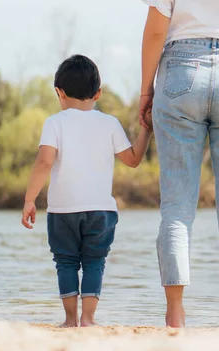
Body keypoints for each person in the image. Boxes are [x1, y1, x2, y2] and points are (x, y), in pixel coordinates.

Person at [139, 0, 219, 328]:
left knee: (177, 206)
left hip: (181, 66)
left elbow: (155, 31)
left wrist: (144, 93)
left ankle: (175, 312)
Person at [22, 55, 153, 328]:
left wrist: (29, 199)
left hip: (62, 211)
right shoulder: (109, 123)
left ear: (59, 92)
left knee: (66, 262)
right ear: (98, 93)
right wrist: (146, 131)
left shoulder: (54, 122)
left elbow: (45, 161)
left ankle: (70, 320)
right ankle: (89, 319)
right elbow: (132, 160)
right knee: (95, 262)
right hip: (101, 211)